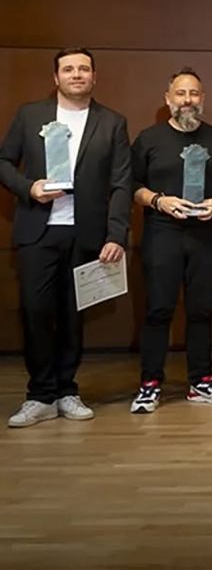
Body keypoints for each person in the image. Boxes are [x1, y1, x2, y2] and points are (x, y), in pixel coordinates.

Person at [1, 48, 131, 428]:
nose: (77, 74)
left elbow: (122, 182)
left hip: (87, 233)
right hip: (38, 229)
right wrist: (30, 188)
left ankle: (67, 391)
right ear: (56, 78)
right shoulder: (29, 115)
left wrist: (117, 233)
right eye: (69, 69)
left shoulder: (112, 122)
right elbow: (3, 162)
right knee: (36, 311)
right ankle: (39, 395)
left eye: (84, 69)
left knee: (74, 316)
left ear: (94, 77)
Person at [129, 68, 212, 413]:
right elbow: (131, 186)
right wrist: (159, 200)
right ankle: (149, 384)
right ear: (168, 99)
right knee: (159, 310)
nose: (187, 100)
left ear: (202, 99)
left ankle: (201, 381)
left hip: (206, 234)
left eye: (193, 94)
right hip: (163, 234)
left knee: (201, 311)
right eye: (180, 94)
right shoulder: (148, 139)